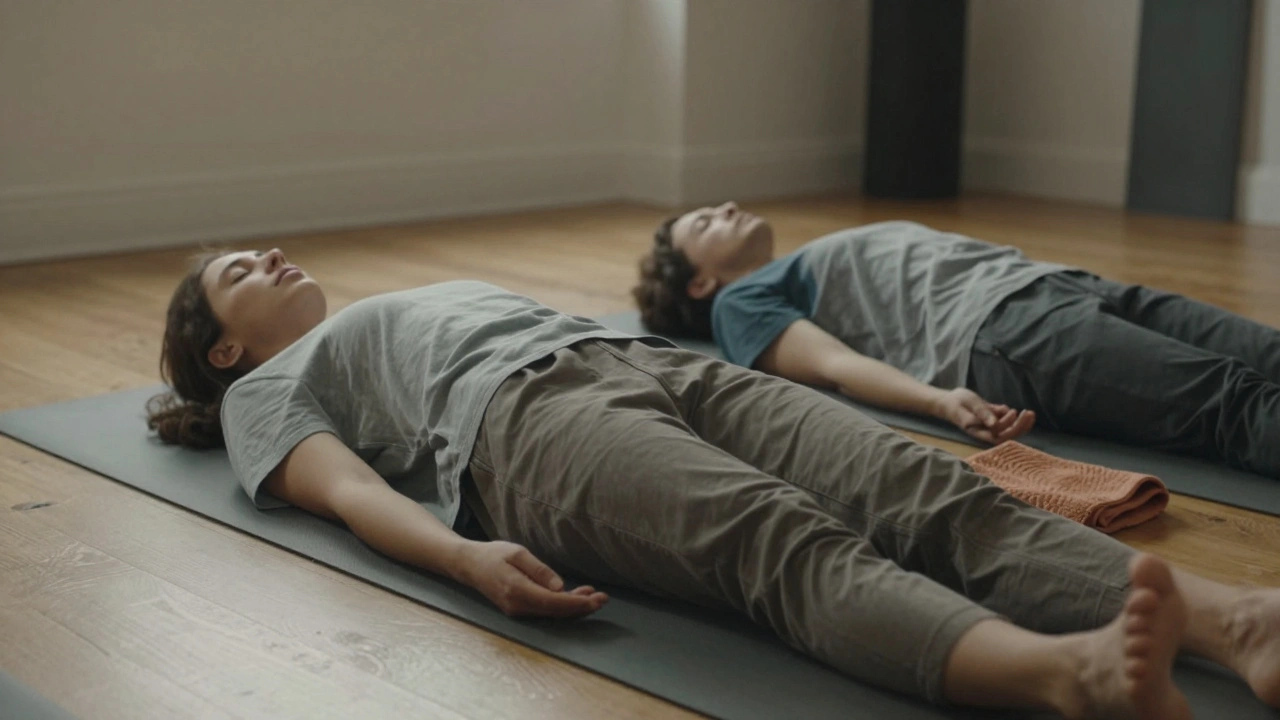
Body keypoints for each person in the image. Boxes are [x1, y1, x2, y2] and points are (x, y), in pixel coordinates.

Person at [146, 246, 1280, 719]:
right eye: (237, 270)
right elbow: (344, 492)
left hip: (655, 367)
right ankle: (1055, 676)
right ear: (225, 349)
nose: (270, 256)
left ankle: (1234, 624)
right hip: (524, 431)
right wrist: (461, 556)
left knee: (924, 491)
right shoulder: (265, 391)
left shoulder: (385, 305)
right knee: (781, 546)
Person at [633, 202, 1280, 477]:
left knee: (1267, 355)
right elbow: (834, 365)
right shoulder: (740, 304)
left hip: (1060, 285)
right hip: (1009, 333)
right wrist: (940, 401)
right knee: (1234, 401)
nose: (725, 207)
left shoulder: (797, 263)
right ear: (699, 283)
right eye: (704, 220)